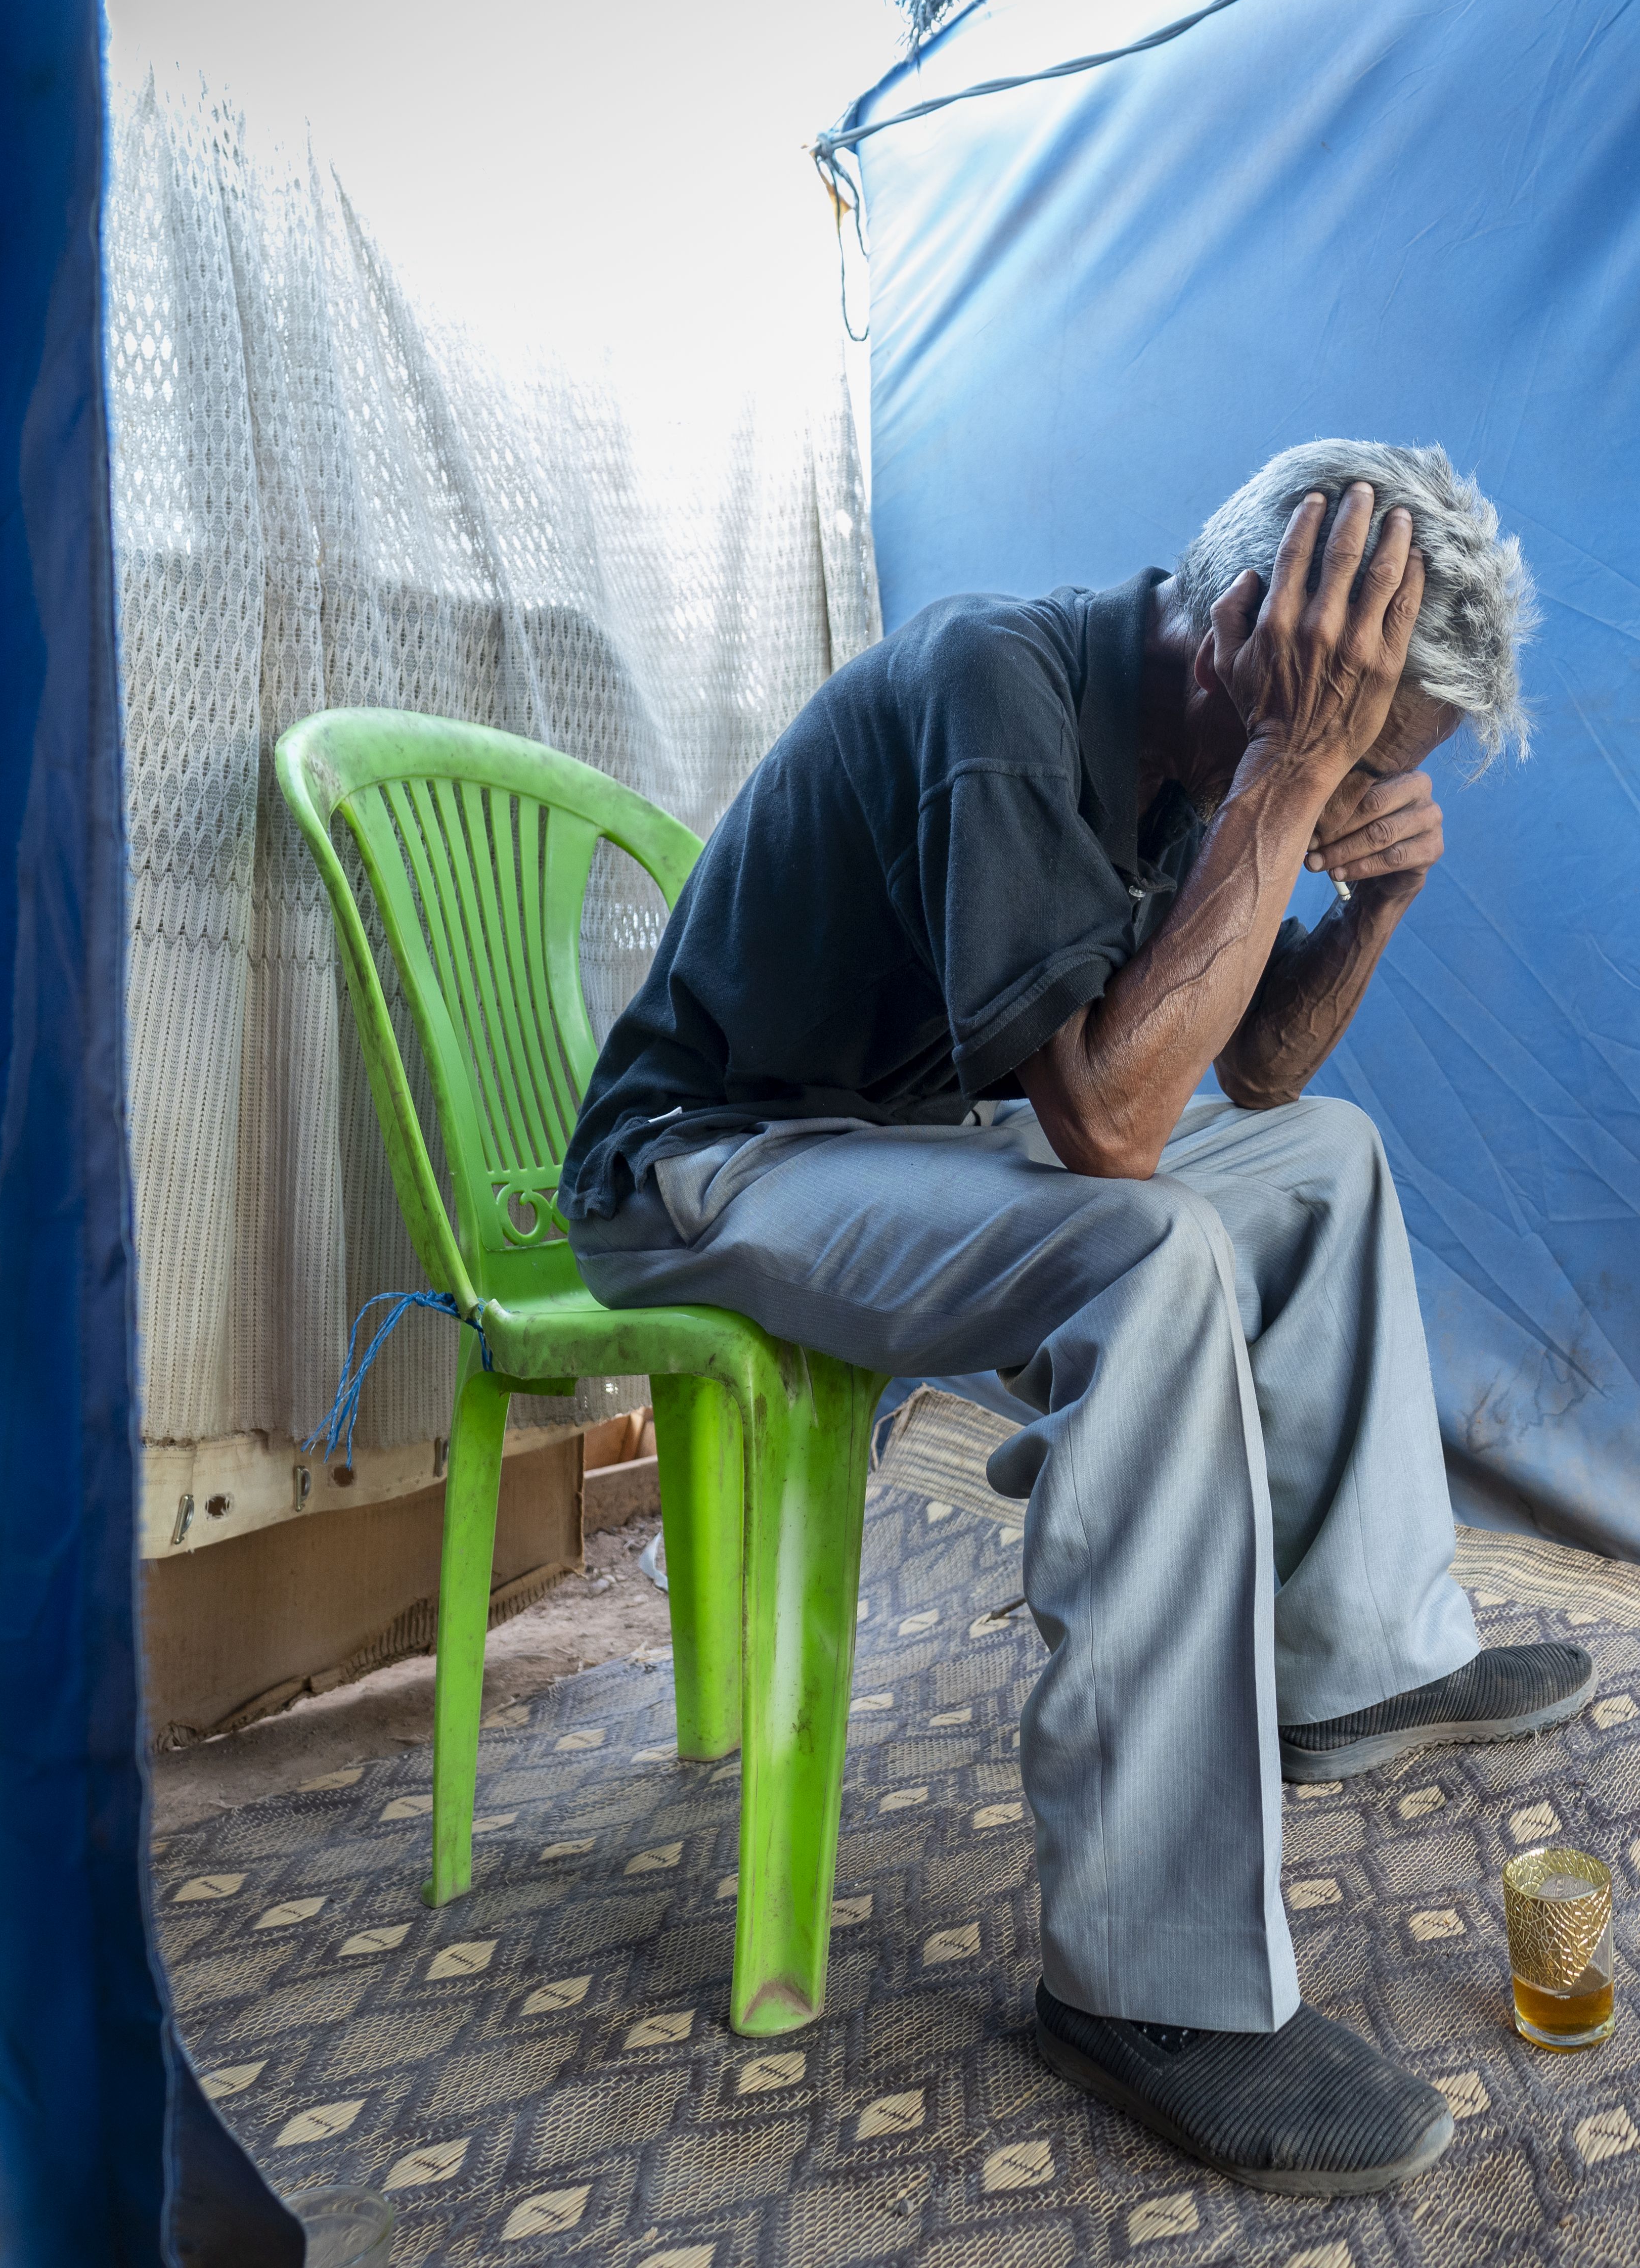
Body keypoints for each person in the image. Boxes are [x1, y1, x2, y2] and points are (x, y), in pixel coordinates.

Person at [558, 441, 1580, 2195]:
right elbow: (1112, 1136)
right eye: (1350, 740)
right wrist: (1289, 767)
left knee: (1321, 1155)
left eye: (1372, 767)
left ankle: (1355, 1664)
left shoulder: (1198, 758)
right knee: (1150, 1250)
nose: (1347, 787)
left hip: (911, 1138)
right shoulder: (1001, 682)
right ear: (1256, 624)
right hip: (711, 1164)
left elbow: (1243, 1072)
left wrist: (1374, 901)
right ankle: (1149, 1983)